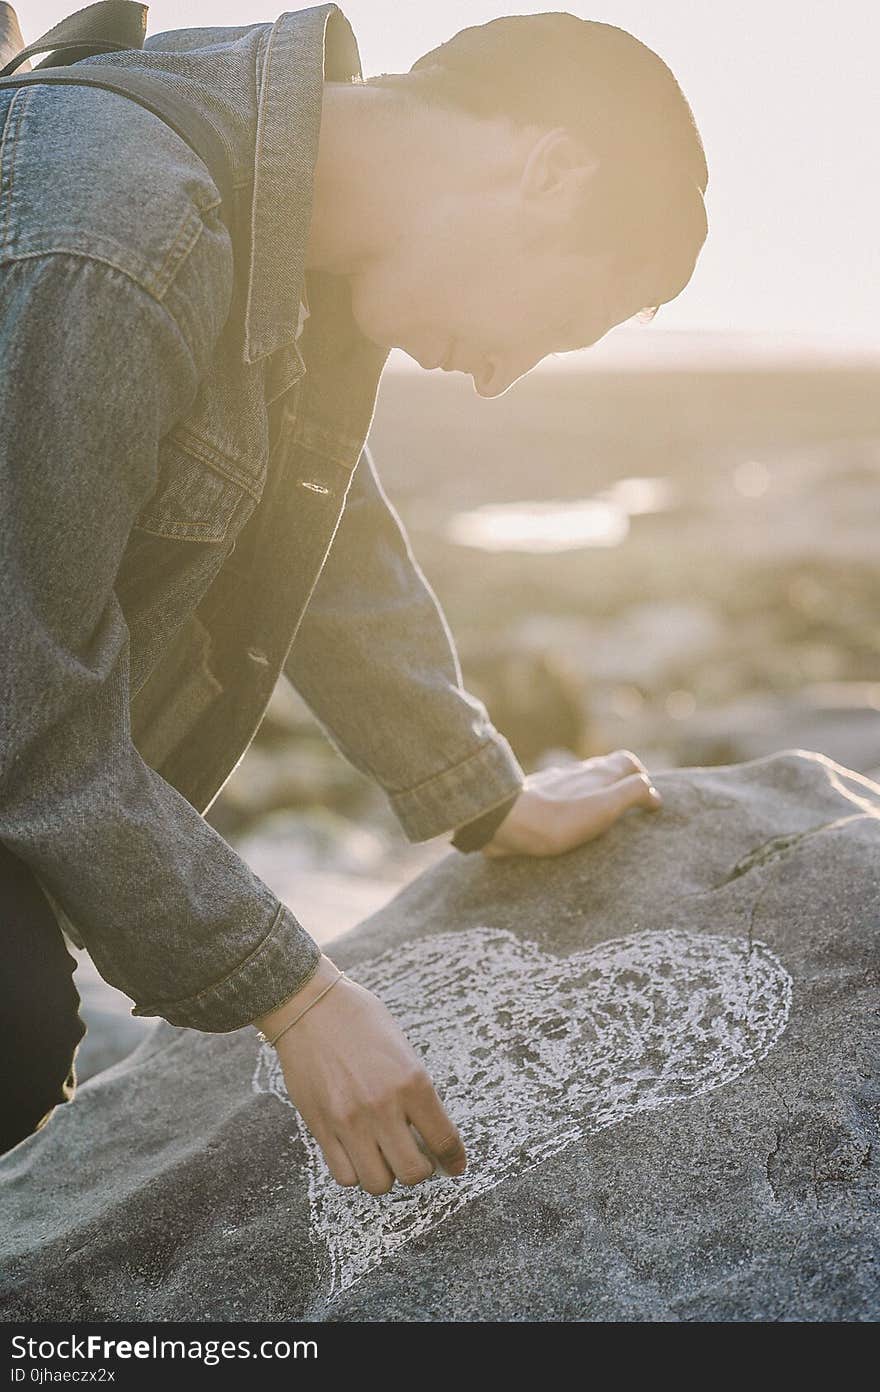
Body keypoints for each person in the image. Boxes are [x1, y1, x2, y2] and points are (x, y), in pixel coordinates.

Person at [0, 3, 707, 1189]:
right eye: (555, 322)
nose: (495, 379)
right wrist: (298, 997)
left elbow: (314, 515)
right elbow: (17, 691)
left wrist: (470, 787)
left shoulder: (288, 223)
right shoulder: (116, 238)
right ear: (546, 169)